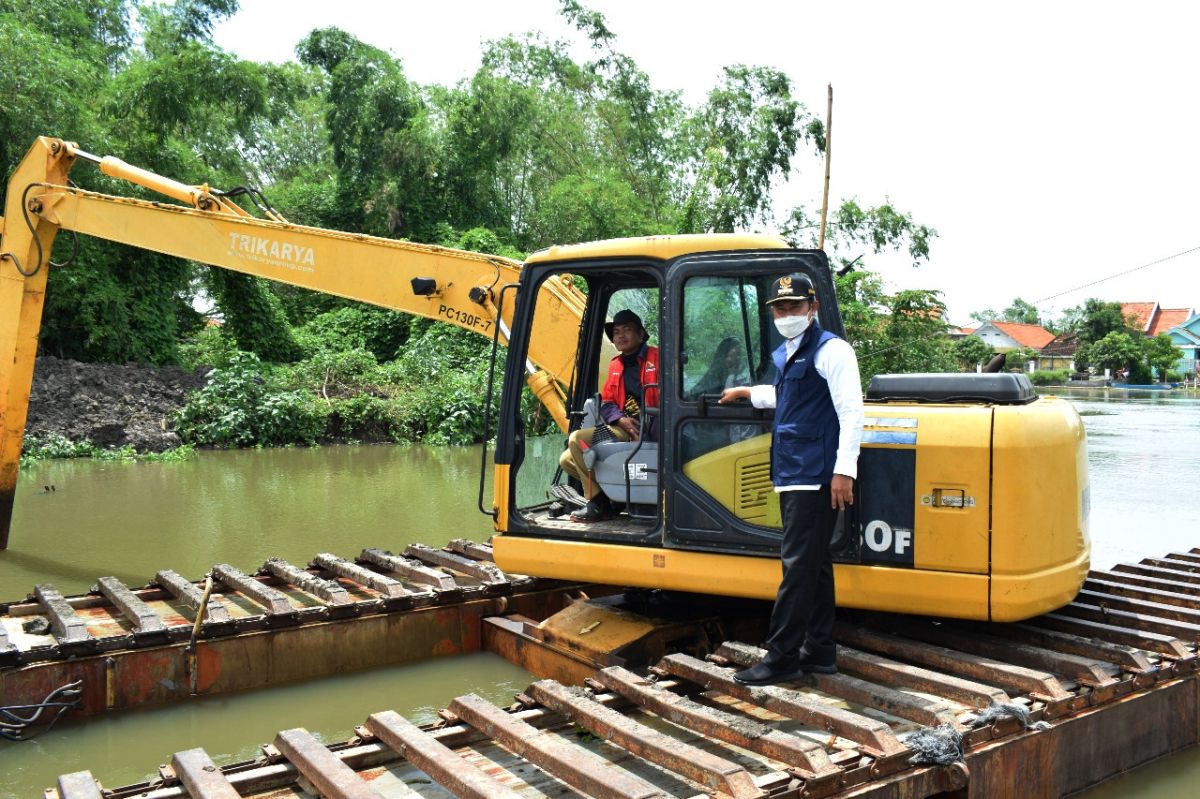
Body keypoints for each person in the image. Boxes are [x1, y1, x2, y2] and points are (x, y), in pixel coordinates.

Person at [720, 273, 863, 684]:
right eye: (780, 308)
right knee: (815, 564)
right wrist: (748, 392)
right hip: (792, 470)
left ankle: (781, 657)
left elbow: (852, 411)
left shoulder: (833, 351)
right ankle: (819, 650)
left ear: (812, 308)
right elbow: (790, 398)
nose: (786, 314)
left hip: (815, 473)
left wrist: (843, 471)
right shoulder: (791, 353)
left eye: (794, 307)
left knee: (797, 565)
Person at [559, 309, 660, 522]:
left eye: (627, 330)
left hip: (652, 430)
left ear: (641, 335)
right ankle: (607, 501)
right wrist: (620, 419)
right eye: (616, 332)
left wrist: (645, 431)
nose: (621, 336)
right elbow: (606, 402)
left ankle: (598, 504)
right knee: (567, 459)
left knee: (576, 439)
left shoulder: (659, 358)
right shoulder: (615, 365)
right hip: (621, 429)